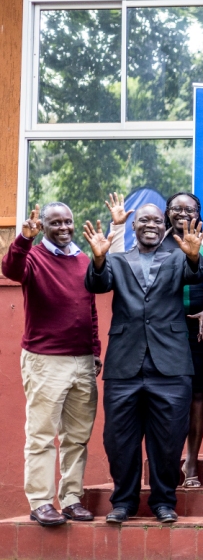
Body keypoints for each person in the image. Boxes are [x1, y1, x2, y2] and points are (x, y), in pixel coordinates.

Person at [84, 206, 203, 523]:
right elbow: (97, 284)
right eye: (144, 220)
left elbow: (197, 276)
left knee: (169, 439)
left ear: (163, 226)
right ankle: (123, 502)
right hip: (124, 363)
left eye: (156, 220)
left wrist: (195, 257)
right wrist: (98, 259)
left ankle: (163, 501)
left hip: (171, 363)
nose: (151, 225)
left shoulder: (179, 258)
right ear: (134, 226)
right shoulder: (116, 259)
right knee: (118, 439)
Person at [111, 192, 203, 489]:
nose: (183, 213)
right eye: (176, 208)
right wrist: (117, 228)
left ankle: (191, 461)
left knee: (196, 394)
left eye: (190, 209)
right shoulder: (154, 238)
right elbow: (123, 269)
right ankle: (164, 465)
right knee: (162, 401)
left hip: (198, 329)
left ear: (199, 211)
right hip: (158, 331)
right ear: (166, 212)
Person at [2, 203, 99, 526]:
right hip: (45, 360)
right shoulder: (32, 257)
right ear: (43, 227)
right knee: (42, 435)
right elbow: (10, 270)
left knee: (77, 436)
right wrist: (23, 239)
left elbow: (90, 309)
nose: (64, 228)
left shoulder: (83, 260)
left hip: (83, 360)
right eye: (55, 223)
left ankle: (71, 499)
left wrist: (95, 350)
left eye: (67, 221)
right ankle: (41, 502)